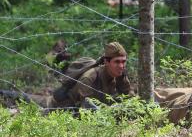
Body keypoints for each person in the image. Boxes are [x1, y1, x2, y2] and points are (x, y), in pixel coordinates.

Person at [1, 42, 134, 109]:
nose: (121, 66)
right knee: (21, 99)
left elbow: (130, 98)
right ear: (106, 62)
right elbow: (87, 108)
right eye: (117, 62)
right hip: (54, 107)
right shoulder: (90, 77)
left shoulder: (120, 75)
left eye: (123, 62)